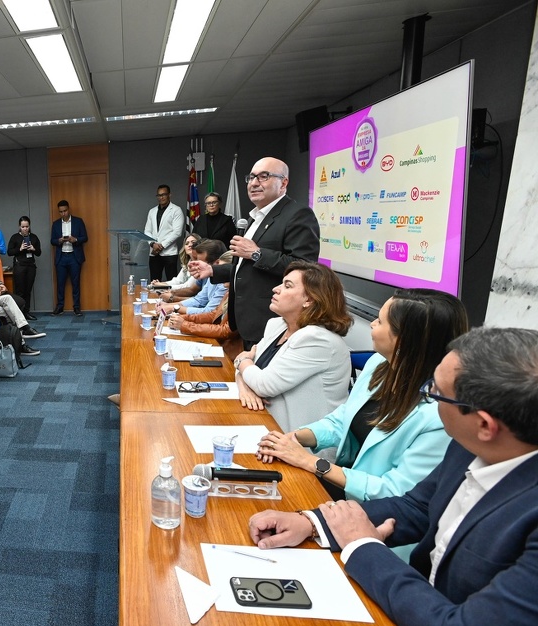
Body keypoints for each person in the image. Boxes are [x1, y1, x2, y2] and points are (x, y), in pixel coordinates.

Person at [247, 327, 538, 626]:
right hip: (416, 621)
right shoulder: (472, 446)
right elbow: (416, 506)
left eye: (435, 392)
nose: (428, 397)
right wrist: (311, 522)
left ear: (485, 425)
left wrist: (362, 546)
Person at [256, 289, 469, 509]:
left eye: (380, 321)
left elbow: (395, 491)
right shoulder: (379, 364)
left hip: (376, 513)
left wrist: (309, 461)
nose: (372, 324)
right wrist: (294, 438)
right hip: (343, 488)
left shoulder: (439, 415)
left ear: (404, 340)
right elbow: (342, 420)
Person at [189, 157, 319, 349]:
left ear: (283, 183)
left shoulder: (297, 215)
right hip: (246, 320)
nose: (254, 183)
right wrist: (212, 271)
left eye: (264, 176)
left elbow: (305, 268)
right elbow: (245, 268)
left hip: (272, 321)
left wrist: (257, 253)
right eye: (251, 177)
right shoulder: (254, 218)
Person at [232, 261, 351, 431]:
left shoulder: (317, 340)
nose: (276, 289)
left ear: (309, 299)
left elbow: (263, 384)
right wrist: (244, 384)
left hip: (297, 439)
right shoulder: (277, 325)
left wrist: (242, 361)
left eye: (287, 286)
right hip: (262, 421)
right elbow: (250, 373)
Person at [166, 251, 236, 343]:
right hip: (215, 338)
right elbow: (212, 315)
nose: (219, 276)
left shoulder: (241, 296)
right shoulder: (228, 293)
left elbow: (225, 331)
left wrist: (185, 325)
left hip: (225, 346)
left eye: (223, 272)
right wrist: (184, 318)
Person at [159, 239, 227, 316]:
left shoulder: (225, 283)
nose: (195, 265)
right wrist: (169, 306)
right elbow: (198, 300)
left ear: (217, 263)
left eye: (200, 263)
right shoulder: (211, 277)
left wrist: (174, 307)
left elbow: (209, 312)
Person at [50, 200, 87, 316]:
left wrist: (75, 239)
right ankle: (60, 307)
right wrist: (59, 240)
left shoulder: (78, 221)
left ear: (68, 209)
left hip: (74, 257)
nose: (63, 213)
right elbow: (52, 241)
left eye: (65, 211)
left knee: (76, 283)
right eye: (61, 212)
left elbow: (85, 237)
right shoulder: (56, 224)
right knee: (60, 284)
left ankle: (76, 307)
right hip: (61, 257)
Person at [144, 184, 186, 281]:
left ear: (169, 195)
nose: (161, 197)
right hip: (154, 252)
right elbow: (147, 231)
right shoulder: (152, 211)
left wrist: (161, 246)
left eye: (164, 195)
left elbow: (177, 232)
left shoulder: (176, 210)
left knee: (172, 282)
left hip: (169, 253)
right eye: (159, 195)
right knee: (154, 281)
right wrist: (152, 244)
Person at [7, 216, 41, 320]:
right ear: (19, 227)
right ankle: (19, 314)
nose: (25, 229)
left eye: (27, 226)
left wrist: (33, 249)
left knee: (28, 290)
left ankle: (27, 312)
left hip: (31, 266)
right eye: (23, 227)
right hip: (19, 266)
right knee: (19, 291)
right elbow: (9, 252)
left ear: (29, 226)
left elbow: (39, 252)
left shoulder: (34, 237)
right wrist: (20, 248)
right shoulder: (15, 237)